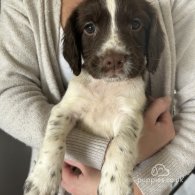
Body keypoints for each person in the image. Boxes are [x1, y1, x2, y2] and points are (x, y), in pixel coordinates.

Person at [0, 0, 195, 195]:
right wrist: (96, 153)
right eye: (90, 28)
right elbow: (8, 92)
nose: (113, 54)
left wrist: (141, 186)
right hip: (61, 182)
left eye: (135, 25)